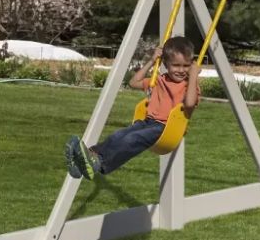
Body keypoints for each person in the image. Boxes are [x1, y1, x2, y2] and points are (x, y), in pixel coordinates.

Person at [64, 36, 201, 180]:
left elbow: (190, 104)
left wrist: (193, 77)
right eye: (176, 65)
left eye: (186, 66)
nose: (181, 70)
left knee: (131, 139)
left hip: (166, 128)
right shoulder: (159, 79)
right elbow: (133, 82)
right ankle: (86, 159)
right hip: (148, 122)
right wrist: (152, 60)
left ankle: (100, 163)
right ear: (166, 64)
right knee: (118, 135)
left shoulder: (189, 86)